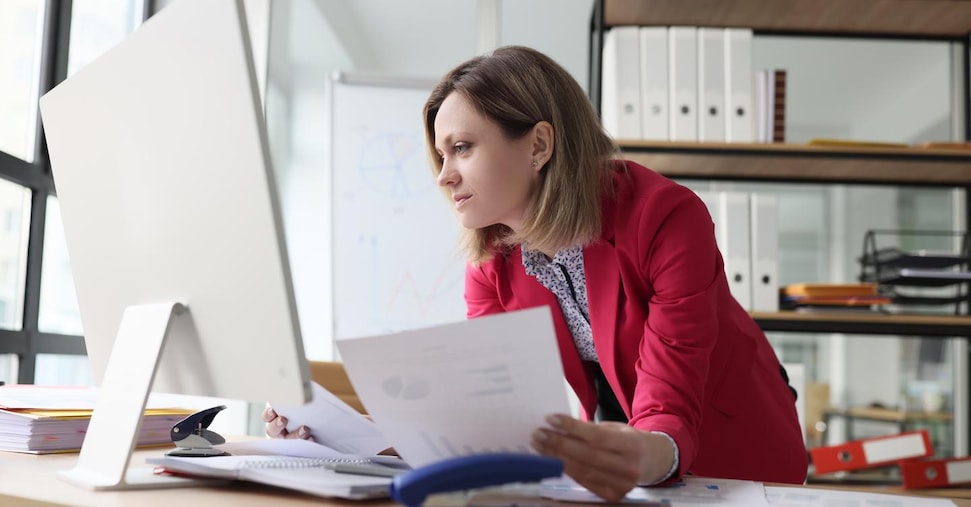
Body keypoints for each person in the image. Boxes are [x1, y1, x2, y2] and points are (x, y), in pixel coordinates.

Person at [266, 45, 808, 501]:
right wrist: (350, 439)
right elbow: (489, 420)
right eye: (441, 155)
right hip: (628, 463)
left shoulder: (665, 218)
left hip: (736, 461)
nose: (444, 176)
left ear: (540, 145)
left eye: (461, 148)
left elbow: (670, 397)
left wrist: (640, 453)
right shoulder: (493, 264)